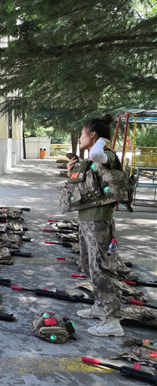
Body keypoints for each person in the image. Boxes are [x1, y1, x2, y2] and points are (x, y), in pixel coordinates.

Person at [69, 115, 124, 337]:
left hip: (100, 220)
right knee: (90, 266)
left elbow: (96, 152)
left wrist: (103, 140)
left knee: (103, 269)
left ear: (93, 135)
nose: (80, 138)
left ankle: (113, 321)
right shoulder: (92, 160)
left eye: (83, 134)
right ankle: (101, 307)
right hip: (87, 219)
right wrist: (70, 170)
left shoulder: (105, 154)